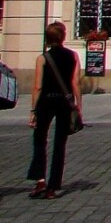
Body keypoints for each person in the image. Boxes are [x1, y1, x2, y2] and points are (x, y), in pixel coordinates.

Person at [27, 21, 80, 200]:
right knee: (60, 144)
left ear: (47, 38)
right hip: (64, 102)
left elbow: (37, 86)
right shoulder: (73, 56)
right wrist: (78, 106)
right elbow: (75, 83)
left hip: (46, 102)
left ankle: (40, 180)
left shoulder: (42, 58)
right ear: (63, 37)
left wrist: (33, 111)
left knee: (40, 140)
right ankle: (53, 187)